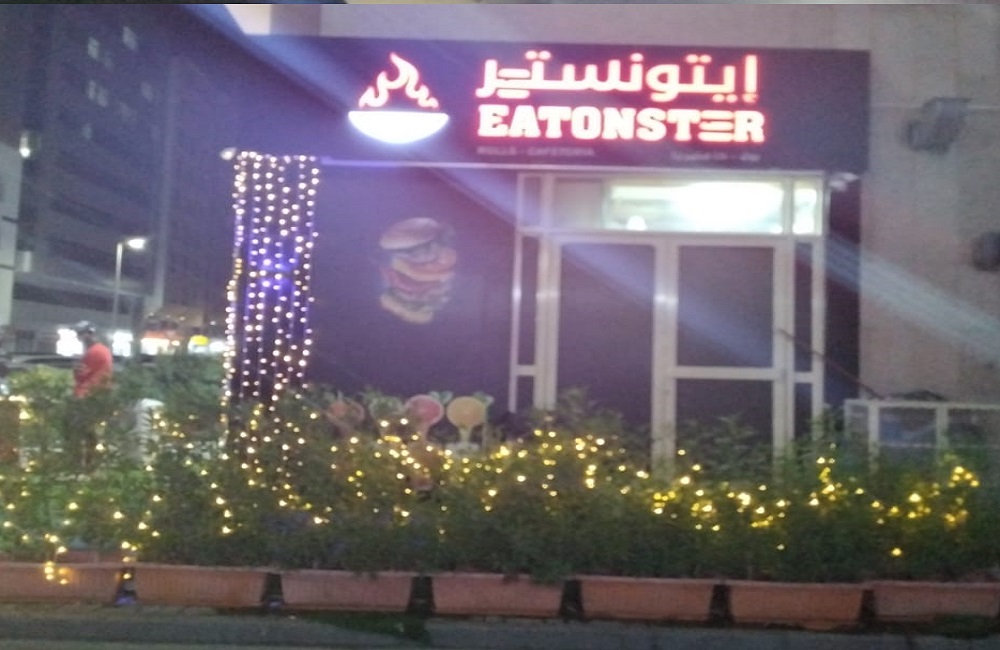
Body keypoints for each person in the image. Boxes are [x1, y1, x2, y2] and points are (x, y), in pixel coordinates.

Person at [72, 320, 113, 398]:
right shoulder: (103, 349)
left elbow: (82, 376)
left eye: (80, 333)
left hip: (89, 394)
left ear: (89, 334)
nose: (78, 337)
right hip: (101, 393)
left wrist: (76, 370)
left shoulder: (93, 351)